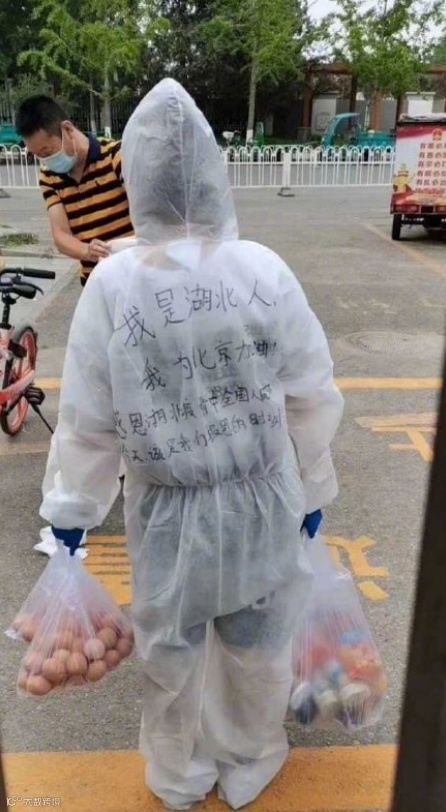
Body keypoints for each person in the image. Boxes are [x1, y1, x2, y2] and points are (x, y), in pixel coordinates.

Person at [39, 79, 344, 810]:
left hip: (167, 515)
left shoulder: (114, 285)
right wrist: (314, 486)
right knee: (257, 644)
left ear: (137, 181)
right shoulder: (265, 269)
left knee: (171, 648)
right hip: (264, 500)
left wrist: (72, 511)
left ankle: (178, 774)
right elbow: (309, 390)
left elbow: (88, 416)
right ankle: (250, 757)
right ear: (216, 172)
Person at [16, 95, 134, 287]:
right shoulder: (48, 175)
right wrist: (88, 251)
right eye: (38, 156)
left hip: (133, 277)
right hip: (94, 283)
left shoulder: (115, 156)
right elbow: (61, 235)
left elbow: (150, 219)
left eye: (47, 152)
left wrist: (117, 250)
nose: (46, 160)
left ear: (67, 129)